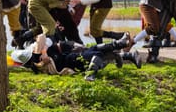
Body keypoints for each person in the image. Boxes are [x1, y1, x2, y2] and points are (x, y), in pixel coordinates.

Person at [11, 33, 141, 81]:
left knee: (94, 49)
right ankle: (91, 74)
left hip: (68, 57)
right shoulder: (35, 59)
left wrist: (44, 52)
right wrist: (42, 53)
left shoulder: (39, 54)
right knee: (95, 54)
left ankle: (125, 49)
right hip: (68, 63)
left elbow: (43, 37)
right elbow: (41, 37)